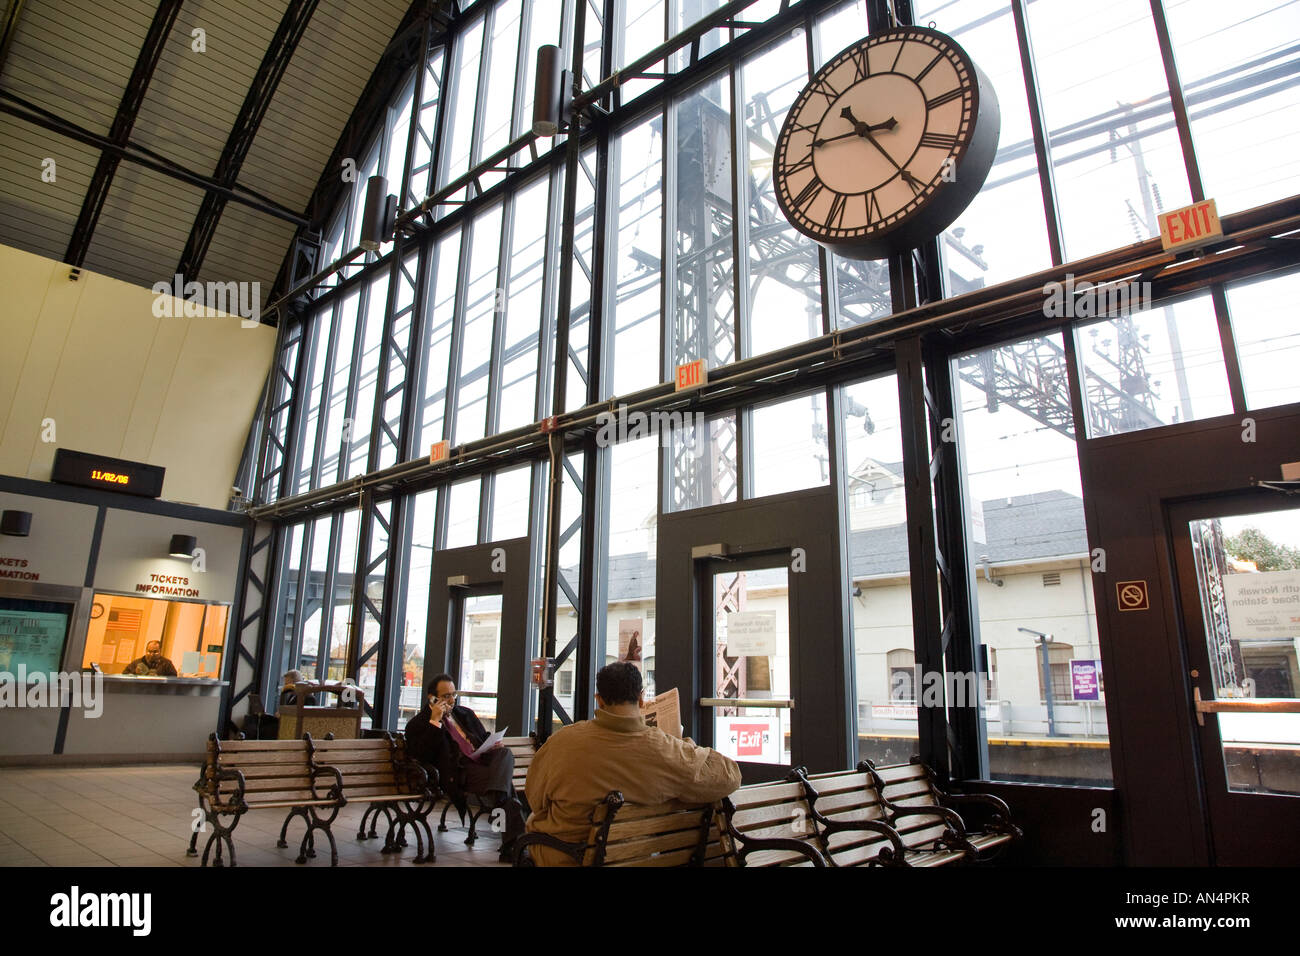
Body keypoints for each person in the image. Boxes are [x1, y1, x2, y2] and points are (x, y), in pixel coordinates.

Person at [523, 661, 741, 866]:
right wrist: (687, 745)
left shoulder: (562, 742)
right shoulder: (665, 749)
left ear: (599, 699)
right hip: (635, 857)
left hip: (566, 856)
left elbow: (535, 798)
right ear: (641, 699)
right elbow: (731, 775)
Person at [404, 674, 524, 861]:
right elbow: (422, 755)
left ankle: (499, 800)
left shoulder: (464, 713)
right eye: (446, 696)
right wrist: (435, 722)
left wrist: (492, 744)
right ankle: (511, 844)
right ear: (432, 698)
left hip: (481, 762)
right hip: (458, 771)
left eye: (454, 694)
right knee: (506, 787)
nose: (451, 700)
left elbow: (482, 737)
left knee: (505, 753)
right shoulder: (418, 724)